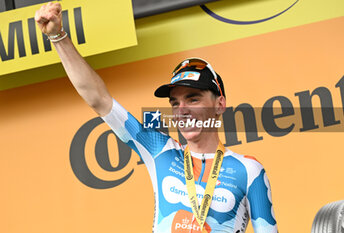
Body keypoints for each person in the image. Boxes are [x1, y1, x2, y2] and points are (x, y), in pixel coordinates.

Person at [35, 2, 278, 233]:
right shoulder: (159, 150)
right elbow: (99, 99)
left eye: (193, 99)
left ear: (220, 104)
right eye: (175, 103)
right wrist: (58, 37)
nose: (182, 110)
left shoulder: (249, 170)